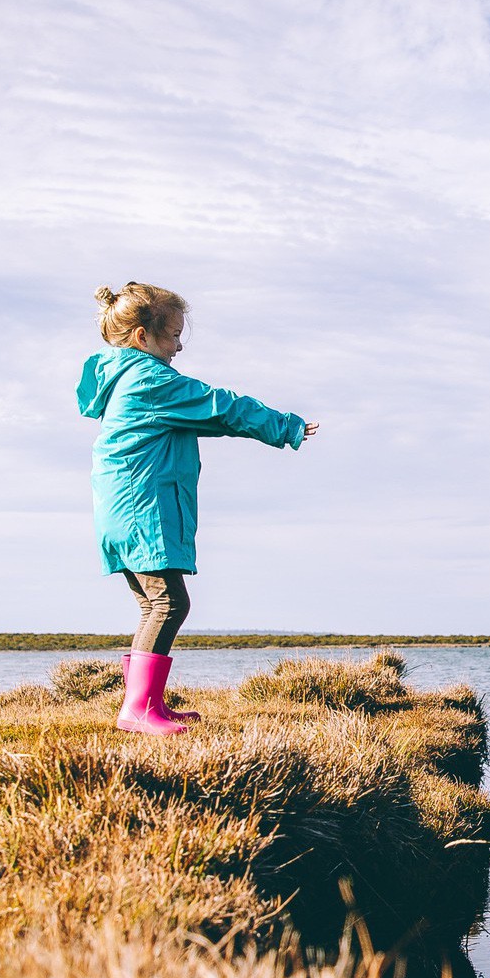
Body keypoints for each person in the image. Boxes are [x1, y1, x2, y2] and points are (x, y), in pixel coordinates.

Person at [77, 283, 318, 735]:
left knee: (153, 605)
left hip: (122, 510)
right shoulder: (151, 381)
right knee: (169, 603)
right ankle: (137, 709)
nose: (179, 344)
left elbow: (210, 419)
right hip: (141, 508)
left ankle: (148, 704)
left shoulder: (125, 379)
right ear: (142, 338)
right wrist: (286, 426)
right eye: (171, 334)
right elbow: (220, 407)